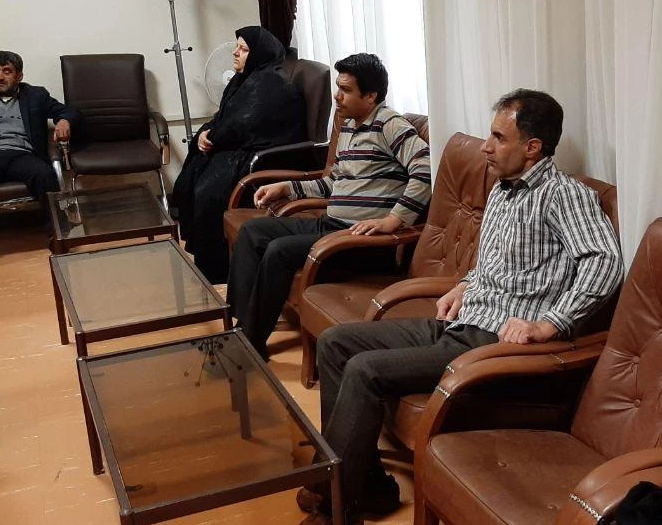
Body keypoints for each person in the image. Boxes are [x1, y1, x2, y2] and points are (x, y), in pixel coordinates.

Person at [298, 89, 625, 525]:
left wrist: (550, 323)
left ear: (533, 147)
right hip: (460, 323)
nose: (486, 147)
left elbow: (605, 260)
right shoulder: (504, 190)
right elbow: (497, 264)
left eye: (498, 138)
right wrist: (465, 285)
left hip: (493, 345)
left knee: (364, 369)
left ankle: (335, 506)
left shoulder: (563, 195)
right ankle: (368, 488)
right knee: (337, 343)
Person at [227, 53, 431, 359]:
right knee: (253, 231)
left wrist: (395, 219)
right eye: (338, 87)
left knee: (279, 251)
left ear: (371, 95)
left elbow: (426, 168)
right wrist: (287, 188)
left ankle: (249, 343)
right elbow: (333, 182)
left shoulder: (390, 124)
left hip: (360, 240)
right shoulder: (349, 126)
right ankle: (240, 327)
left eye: (346, 90)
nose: (337, 96)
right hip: (331, 224)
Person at [172, 26, 305, 284]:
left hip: (264, 157)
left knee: (209, 190)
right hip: (239, 146)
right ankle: (205, 260)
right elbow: (223, 117)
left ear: (259, 54)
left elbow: (245, 124)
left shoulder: (271, 85)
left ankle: (219, 270)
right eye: (237, 47)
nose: (235, 53)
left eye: (243, 49)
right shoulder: (242, 80)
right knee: (197, 170)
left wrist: (212, 136)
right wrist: (206, 132)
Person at [0, 50, 82, 274]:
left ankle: (58, 236)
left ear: (19, 76)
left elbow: (70, 112)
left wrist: (64, 120)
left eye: (6, 71)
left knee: (45, 175)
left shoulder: (36, 95)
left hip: (23, 154)